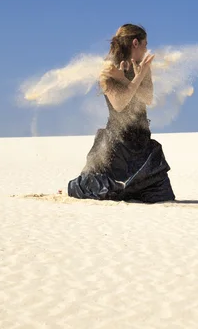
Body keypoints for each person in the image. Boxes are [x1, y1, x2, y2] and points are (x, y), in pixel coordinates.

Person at [68, 24, 175, 203]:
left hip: (141, 141)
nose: (147, 48)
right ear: (135, 43)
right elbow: (119, 104)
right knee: (108, 191)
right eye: (145, 44)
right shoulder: (109, 69)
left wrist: (128, 78)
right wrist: (135, 78)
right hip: (117, 143)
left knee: (162, 195)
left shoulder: (142, 66)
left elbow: (148, 98)